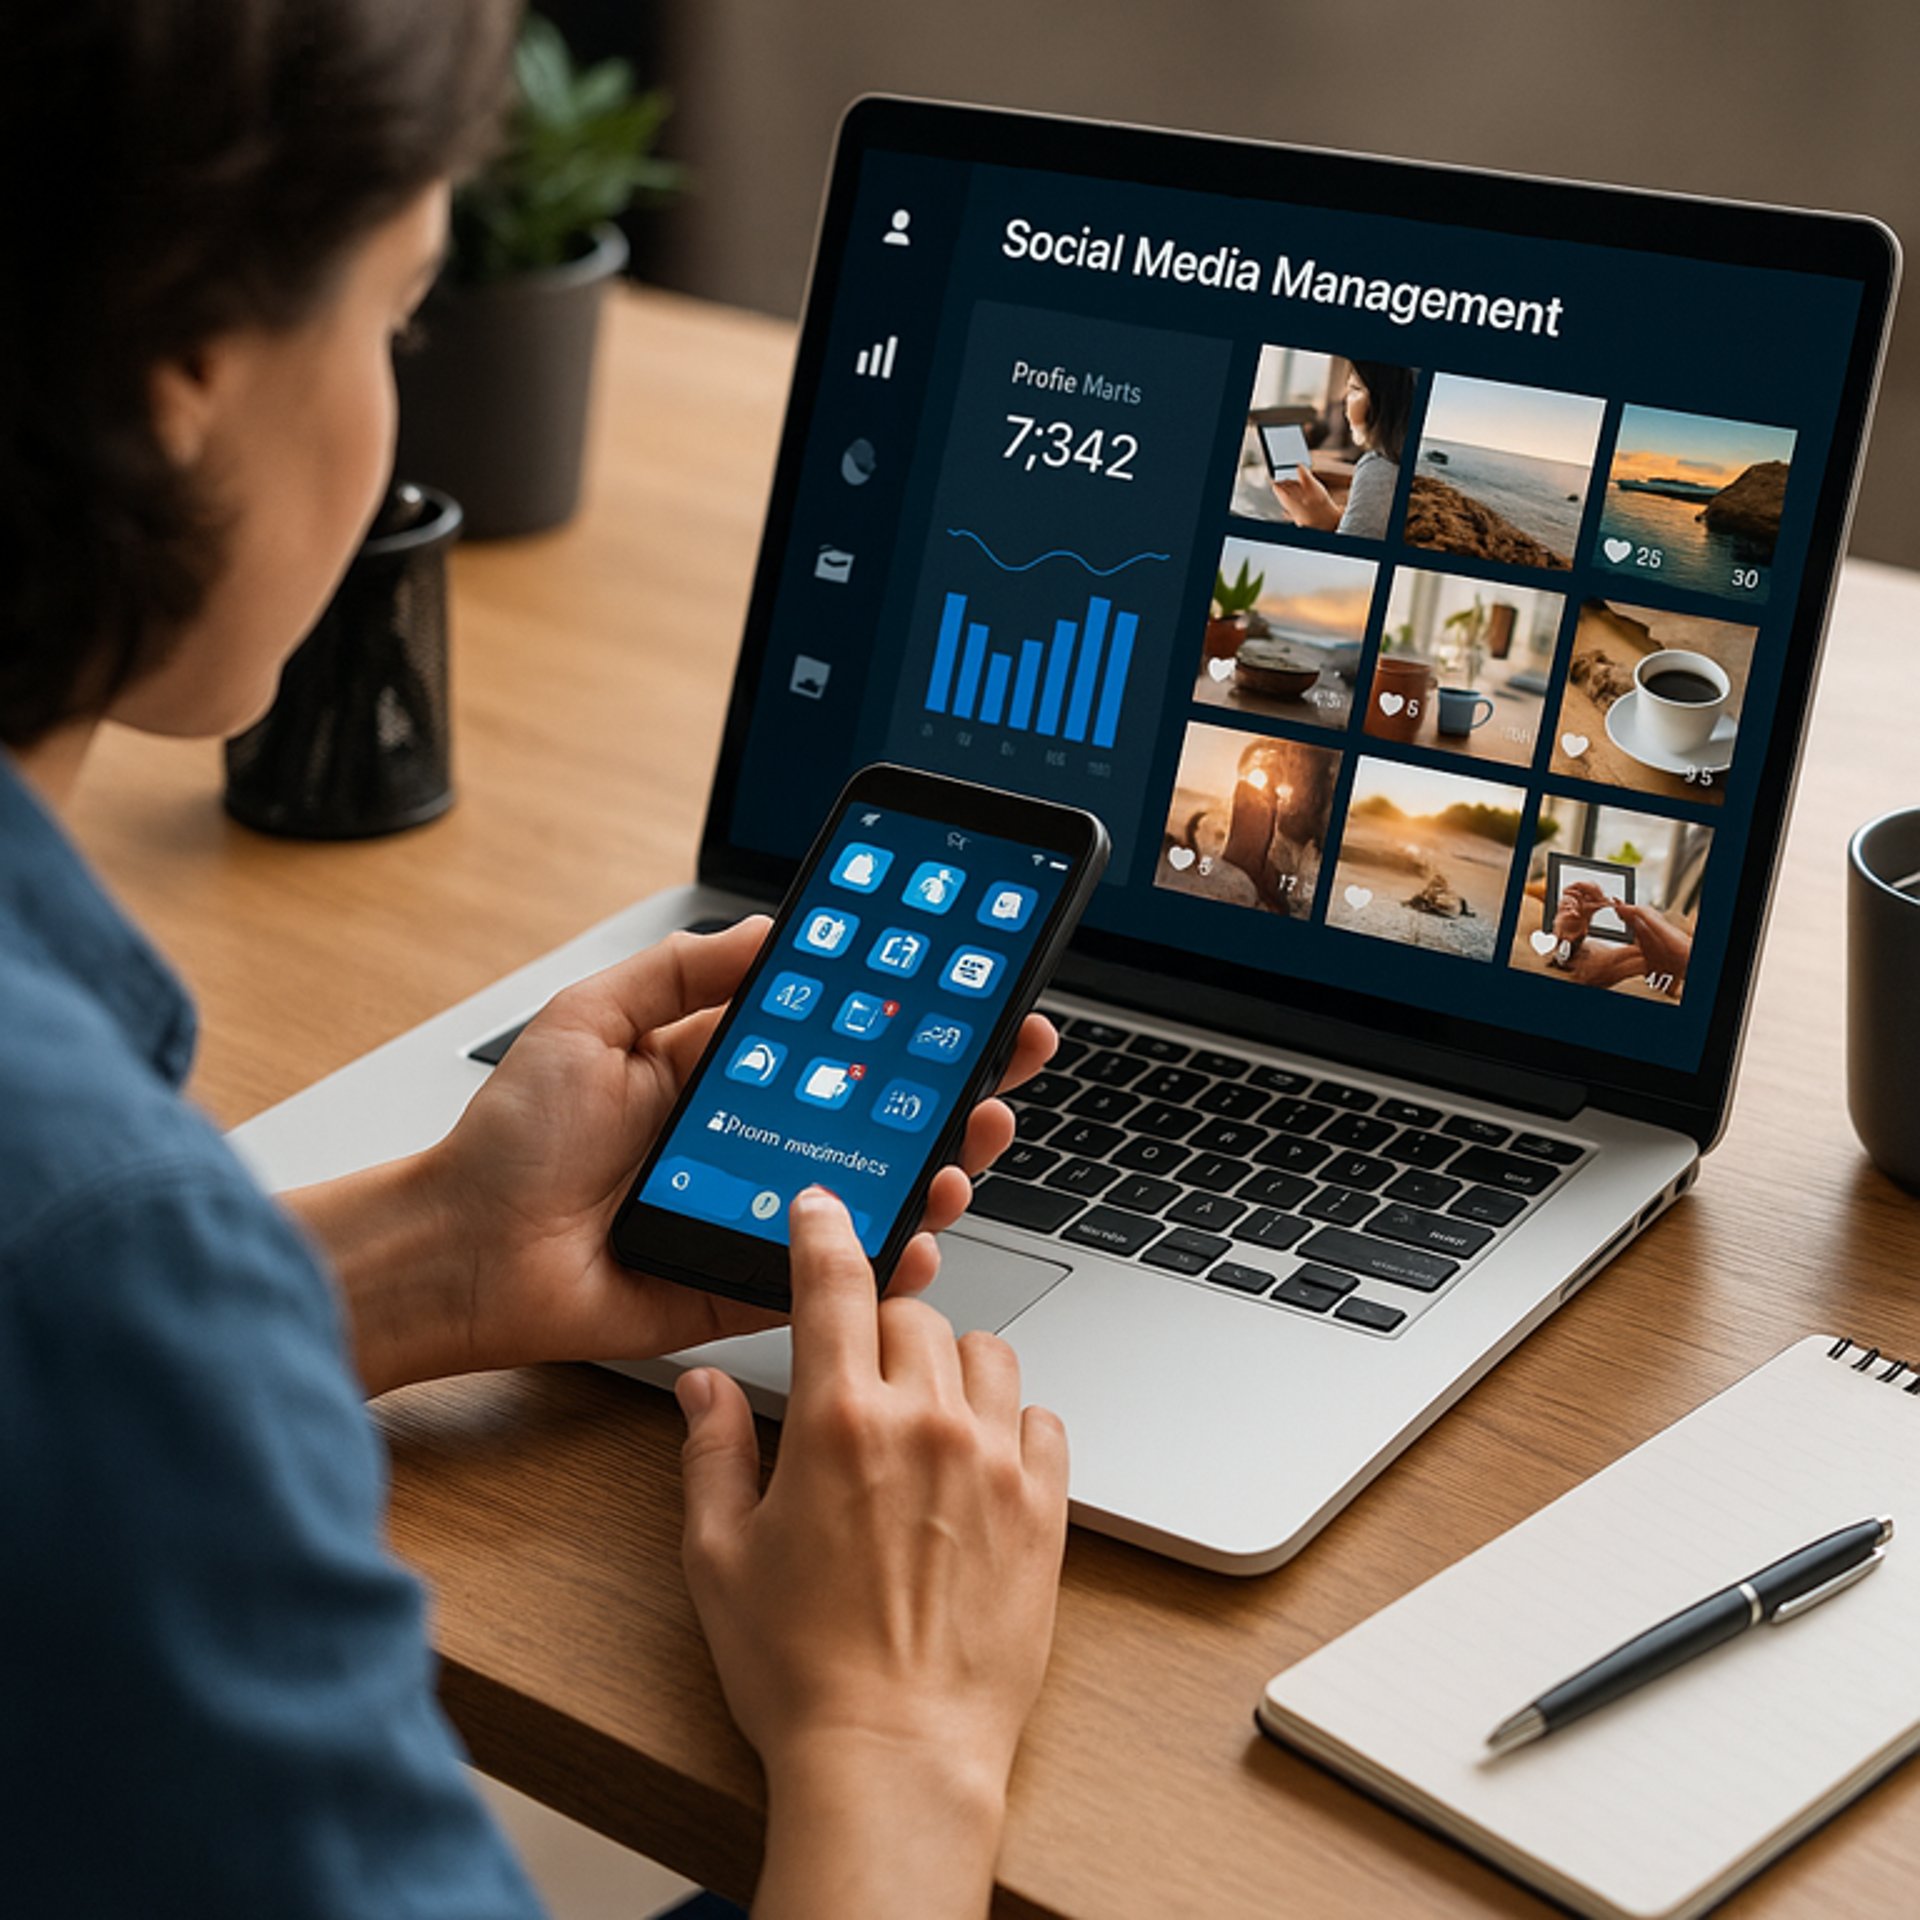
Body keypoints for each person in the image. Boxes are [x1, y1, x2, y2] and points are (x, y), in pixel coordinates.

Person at [0, 5, 1069, 1915]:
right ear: (186, 372)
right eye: (400, 318)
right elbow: (65, 1307)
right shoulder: (84, 1236)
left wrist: (437, 1251)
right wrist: (896, 1743)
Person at [1269, 358, 1415, 540]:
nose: (1345, 401)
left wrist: (1315, 523)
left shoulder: (1379, 466)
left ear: (1387, 399)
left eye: (1354, 389)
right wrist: (1330, 516)